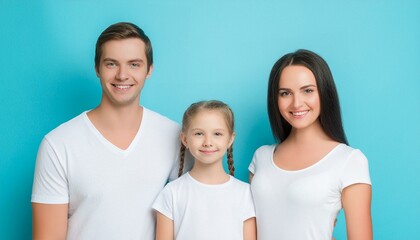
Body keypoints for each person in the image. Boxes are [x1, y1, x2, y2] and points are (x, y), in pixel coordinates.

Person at [31, 22, 191, 239]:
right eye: (111, 64)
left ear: (149, 70)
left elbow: (196, 209)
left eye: (134, 64)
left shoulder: (174, 135)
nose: (122, 75)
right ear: (97, 68)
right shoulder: (58, 144)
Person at [249, 49, 372, 240]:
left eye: (308, 90)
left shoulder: (349, 160)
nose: (297, 103)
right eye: (285, 93)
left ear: (324, 92)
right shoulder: (261, 158)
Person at [152, 100, 257, 240]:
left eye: (217, 134)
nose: (208, 142)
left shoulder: (245, 194)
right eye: (199, 134)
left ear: (230, 139)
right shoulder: (171, 193)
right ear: (185, 139)